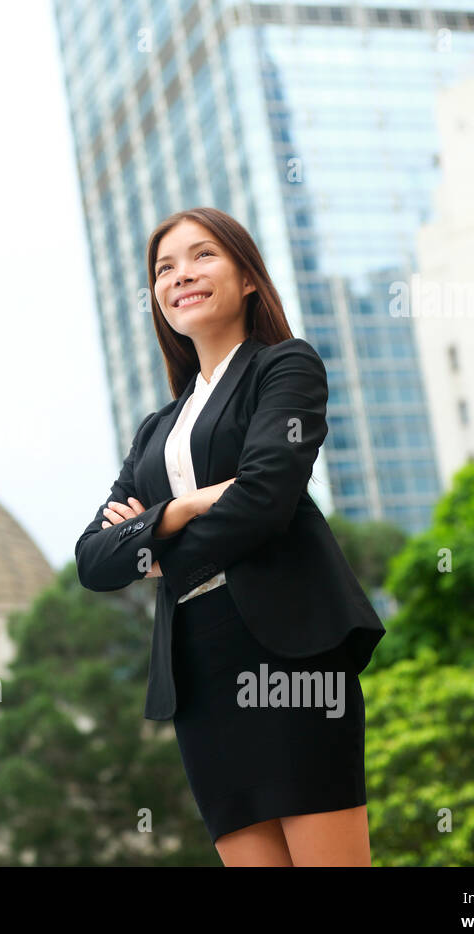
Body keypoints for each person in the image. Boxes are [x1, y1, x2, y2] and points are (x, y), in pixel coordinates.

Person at [75, 207, 386, 866]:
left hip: (291, 653)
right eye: (164, 268)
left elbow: (265, 499)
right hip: (200, 670)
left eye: (202, 256)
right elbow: (94, 559)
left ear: (247, 276)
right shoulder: (155, 431)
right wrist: (181, 508)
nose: (181, 275)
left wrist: (156, 548)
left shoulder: (285, 369)